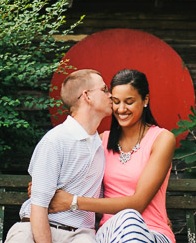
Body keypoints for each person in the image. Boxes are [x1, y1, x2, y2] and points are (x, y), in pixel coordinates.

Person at [48, 69, 176, 243]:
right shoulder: (101, 141)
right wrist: (45, 187)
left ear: (145, 99)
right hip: (110, 234)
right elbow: (75, 179)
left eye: (129, 102)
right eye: (115, 101)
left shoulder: (161, 139)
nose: (121, 109)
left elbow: (138, 204)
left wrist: (72, 201)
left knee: (130, 217)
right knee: (127, 220)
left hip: (153, 233)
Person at [4, 69, 112, 243]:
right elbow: (38, 207)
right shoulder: (56, 141)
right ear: (87, 96)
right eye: (105, 89)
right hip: (34, 230)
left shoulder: (100, 146)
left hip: (80, 235)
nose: (111, 95)